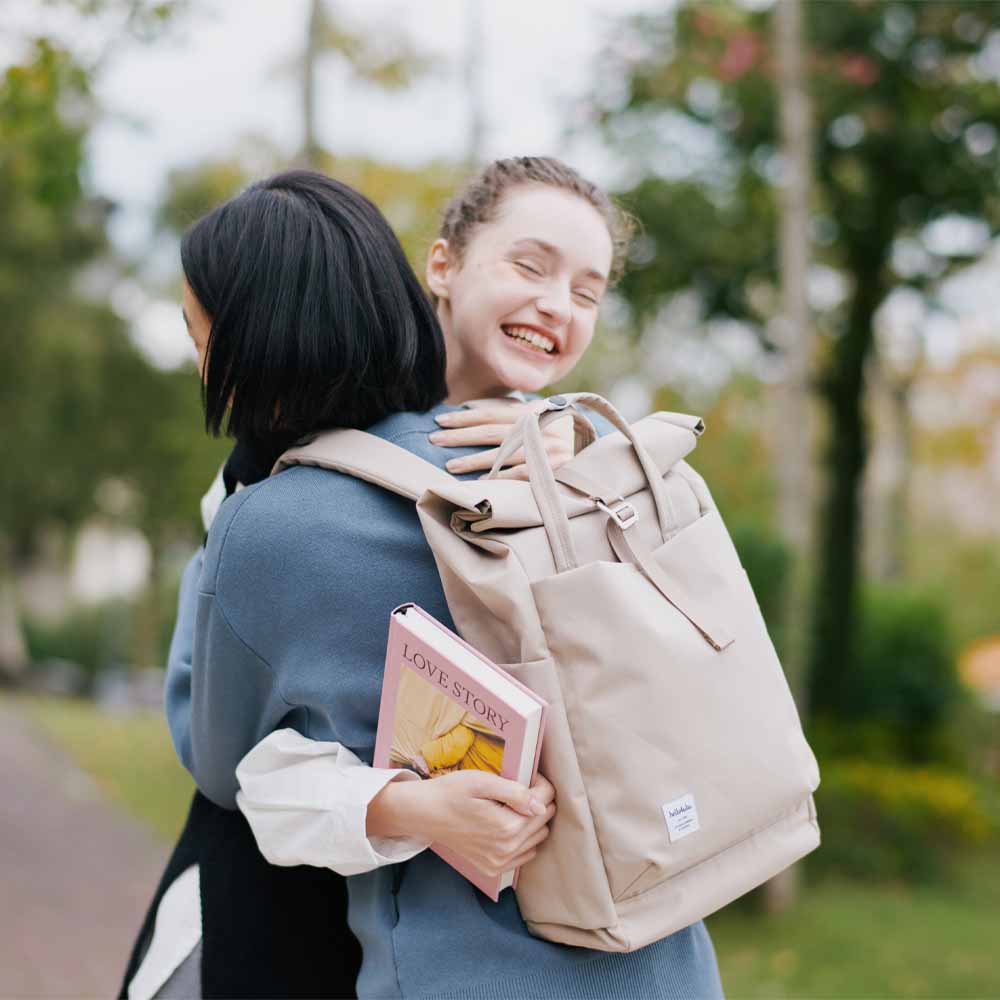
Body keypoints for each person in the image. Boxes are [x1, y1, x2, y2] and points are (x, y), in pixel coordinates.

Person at [128, 159, 724, 999]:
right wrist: (403, 808)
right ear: (439, 266)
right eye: (529, 265)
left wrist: (580, 454)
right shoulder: (278, 493)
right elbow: (231, 752)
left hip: (552, 920)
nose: (557, 303)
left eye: (587, 292)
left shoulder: (584, 472)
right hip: (333, 907)